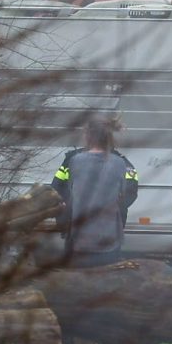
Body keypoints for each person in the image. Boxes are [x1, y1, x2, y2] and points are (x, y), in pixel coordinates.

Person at [51, 114, 139, 267]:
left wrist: (64, 217)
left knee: (77, 278)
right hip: (110, 237)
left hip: (78, 237)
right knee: (106, 277)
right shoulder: (120, 163)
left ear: (88, 136)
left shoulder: (74, 160)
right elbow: (128, 194)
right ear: (109, 136)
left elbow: (60, 189)